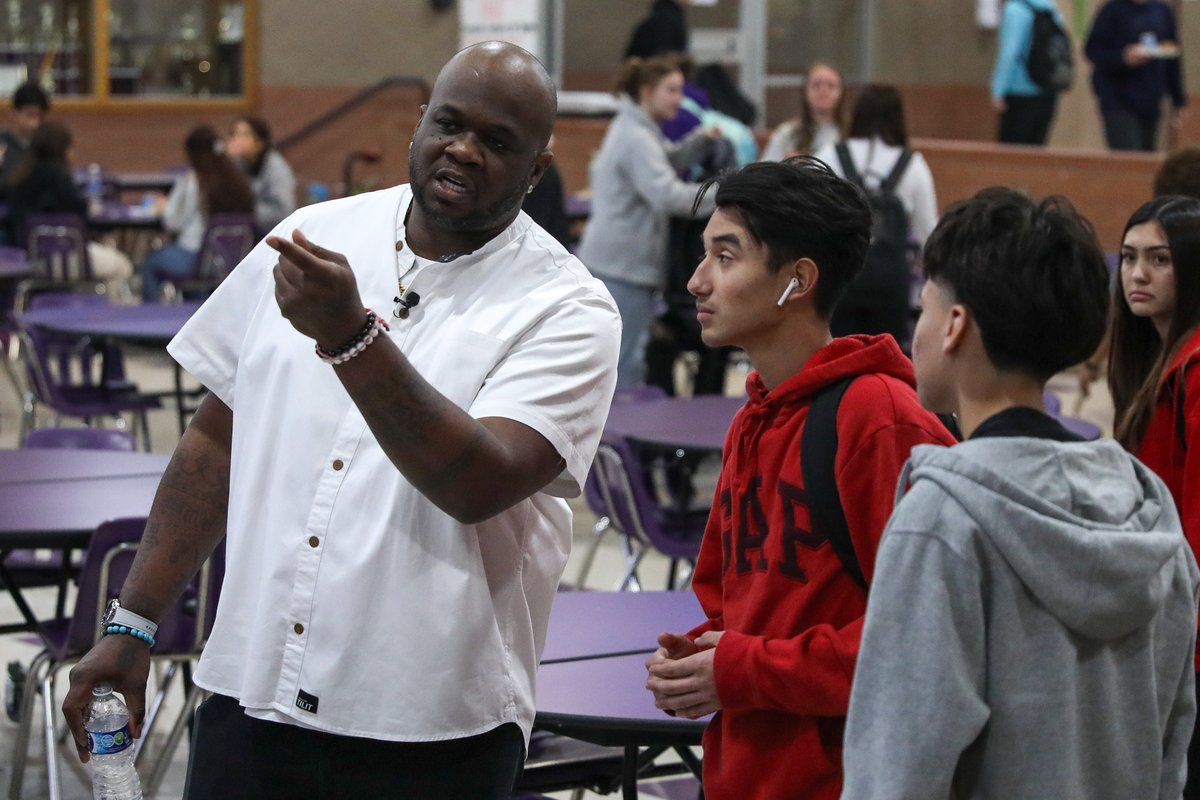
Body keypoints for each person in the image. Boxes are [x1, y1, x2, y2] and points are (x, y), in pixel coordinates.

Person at [62, 41, 620, 799]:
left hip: (428, 728)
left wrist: (352, 338)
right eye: (450, 124)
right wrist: (133, 622)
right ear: (419, 124)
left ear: (538, 169)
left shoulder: (567, 308)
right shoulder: (309, 238)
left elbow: (481, 482)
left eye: (498, 142)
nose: (463, 149)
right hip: (251, 693)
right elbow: (215, 440)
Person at [841, 187, 1197, 799]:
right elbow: (1170, 740)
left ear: (955, 326)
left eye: (923, 308)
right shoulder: (1150, 509)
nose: (914, 332)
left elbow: (896, 766)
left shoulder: (940, 518)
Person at [643, 157, 956, 800]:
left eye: (725, 258)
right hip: (743, 772)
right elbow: (733, 606)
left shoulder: (879, 420)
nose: (697, 282)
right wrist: (700, 656)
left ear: (798, 281)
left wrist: (743, 668)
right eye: (704, 256)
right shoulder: (752, 422)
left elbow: (923, 642)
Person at [1108, 194, 1200, 798]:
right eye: (1129, 257)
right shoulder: (1161, 361)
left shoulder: (1195, 371)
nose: (1138, 274)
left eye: (1159, 260)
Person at [576, 55, 716, 387]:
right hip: (622, 269)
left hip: (617, 263)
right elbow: (668, 194)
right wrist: (725, 194)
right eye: (671, 90)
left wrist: (699, 142)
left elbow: (665, 160)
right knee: (625, 361)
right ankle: (617, 436)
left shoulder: (638, 128)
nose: (679, 100)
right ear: (647, 91)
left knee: (618, 355)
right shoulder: (636, 137)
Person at [814, 84, 938, 344]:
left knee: (838, 360)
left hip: (840, 279)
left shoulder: (830, 155)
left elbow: (811, 217)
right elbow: (930, 236)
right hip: (890, 282)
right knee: (884, 364)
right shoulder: (913, 165)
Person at [5, 120, 133, 295]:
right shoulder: (59, 177)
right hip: (67, 257)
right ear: (61, 148)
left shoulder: (20, 177)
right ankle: (110, 318)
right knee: (122, 266)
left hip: (31, 259)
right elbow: (81, 210)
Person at [139, 125, 255, 302]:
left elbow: (173, 222)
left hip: (195, 256)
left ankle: (148, 321)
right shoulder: (239, 180)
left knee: (150, 263)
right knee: (199, 277)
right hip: (229, 259)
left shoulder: (193, 182)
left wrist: (165, 207)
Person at [1085, 0, 1186, 152]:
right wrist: (1123, 57)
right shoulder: (1113, 10)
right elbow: (1092, 50)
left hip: (1151, 97)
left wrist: (1178, 100)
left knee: (1147, 155)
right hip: (1118, 97)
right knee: (1128, 153)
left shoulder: (1161, 11)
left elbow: (1173, 57)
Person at [990, 0, 1066, 145]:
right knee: (1034, 155)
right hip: (1048, 90)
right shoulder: (1051, 7)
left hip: (1020, 92)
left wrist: (998, 90)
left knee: (1011, 155)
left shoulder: (1014, 9)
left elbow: (1009, 53)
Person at [761, 63, 845, 161]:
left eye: (831, 86)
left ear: (842, 92)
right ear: (805, 91)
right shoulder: (787, 134)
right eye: (816, 85)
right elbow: (766, 170)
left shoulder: (853, 134)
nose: (823, 91)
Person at [226, 114, 297, 232]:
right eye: (234, 134)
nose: (236, 140)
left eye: (244, 135)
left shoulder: (276, 169)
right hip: (249, 234)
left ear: (259, 143)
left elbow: (284, 212)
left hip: (273, 235)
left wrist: (247, 210)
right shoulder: (238, 163)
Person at [0, 82, 49, 204]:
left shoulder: (46, 144)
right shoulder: (2, 143)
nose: (35, 123)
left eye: (39, 116)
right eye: (30, 115)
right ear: (14, 114)